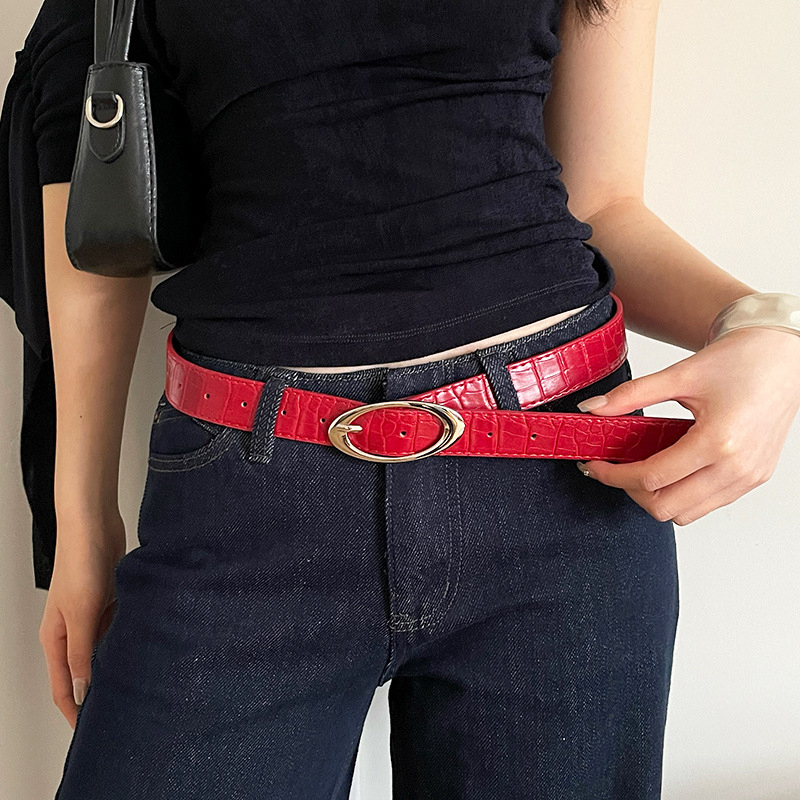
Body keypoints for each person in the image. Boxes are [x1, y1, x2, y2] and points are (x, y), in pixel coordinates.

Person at [1, 0, 799, 797]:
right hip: (247, 495)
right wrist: (82, 521)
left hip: (562, 484)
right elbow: (94, 226)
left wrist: (765, 326)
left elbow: (601, 207)